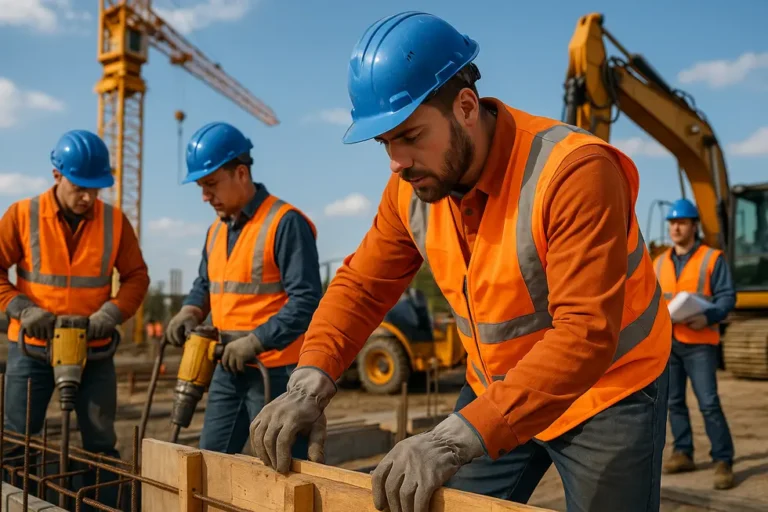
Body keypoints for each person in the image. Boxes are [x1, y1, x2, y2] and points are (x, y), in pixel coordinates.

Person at [249, 11, 673, 512]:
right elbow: (362, 286)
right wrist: (311, 377)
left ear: (466, 106)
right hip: (496, 388)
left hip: (606, 391)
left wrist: (453, 438)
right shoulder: (410, 190)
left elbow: (585, 333)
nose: (396, 162)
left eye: (409, 135)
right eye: (385, 143)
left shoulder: (573, 172)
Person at [0, 129, 150, 507]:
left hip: (94, 351)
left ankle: (101, 505)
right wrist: (21, 308)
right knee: (18, 441)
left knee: (100, 446)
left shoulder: (115, 222)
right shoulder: (21, 215)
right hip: (31, 350)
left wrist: (111, 313)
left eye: (96, 189)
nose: (88, 197)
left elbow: (136, 276)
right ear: (57, 176)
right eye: (81, 187)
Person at [166, 121, 323, 456]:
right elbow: (205, 284)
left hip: (276, 372)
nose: (205, 196)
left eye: (210, 184)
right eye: (201, 187)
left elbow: (307, 301)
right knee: (211, 459)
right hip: (227, 367)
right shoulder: (215, 232)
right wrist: (189, 310)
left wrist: (255, 341)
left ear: (241, 173)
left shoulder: (285, 222)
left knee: (282, 467)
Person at [653, 198, 736, 490]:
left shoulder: (712, 258)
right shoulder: (659, 262)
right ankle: (683, 452)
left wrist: (708, 316)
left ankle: (723, 460)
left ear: (694, 226)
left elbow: (727, 297)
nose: (675, 227)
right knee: (673, 402)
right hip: (669, 343)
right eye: (672, 223)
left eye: (682, 222)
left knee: (709, 403)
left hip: (700, 342)